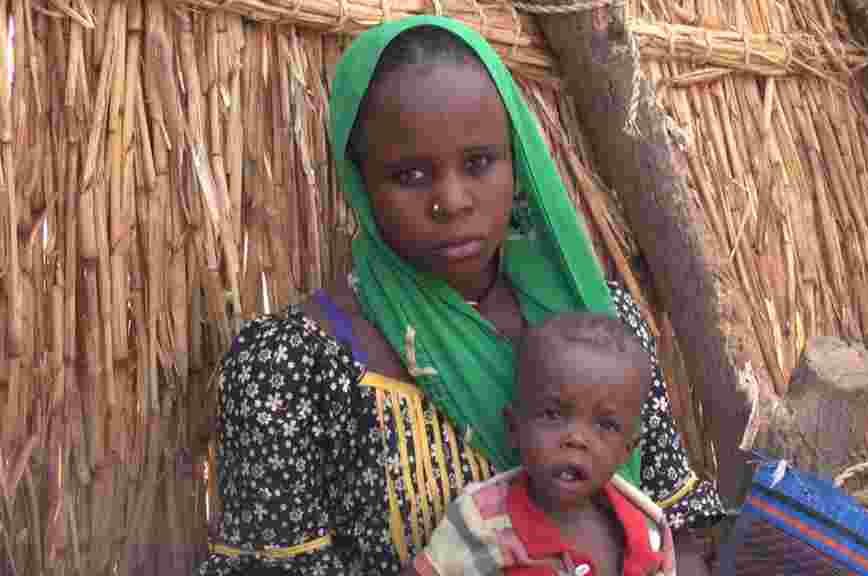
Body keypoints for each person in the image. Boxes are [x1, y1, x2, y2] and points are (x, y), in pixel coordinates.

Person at [196, 15, 723, 576]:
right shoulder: (289, 365)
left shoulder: (603, 325)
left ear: (516, 163)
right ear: (360, 181)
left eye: (478, 164)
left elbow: (679, 528)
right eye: (410, 175)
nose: (452, 200)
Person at [405, 312, 676, 576]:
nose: (576, 439)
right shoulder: (480, 524)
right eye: (553, 414)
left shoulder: (647, 528)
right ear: (514, 428)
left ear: (627, 450)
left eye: (605, 425)